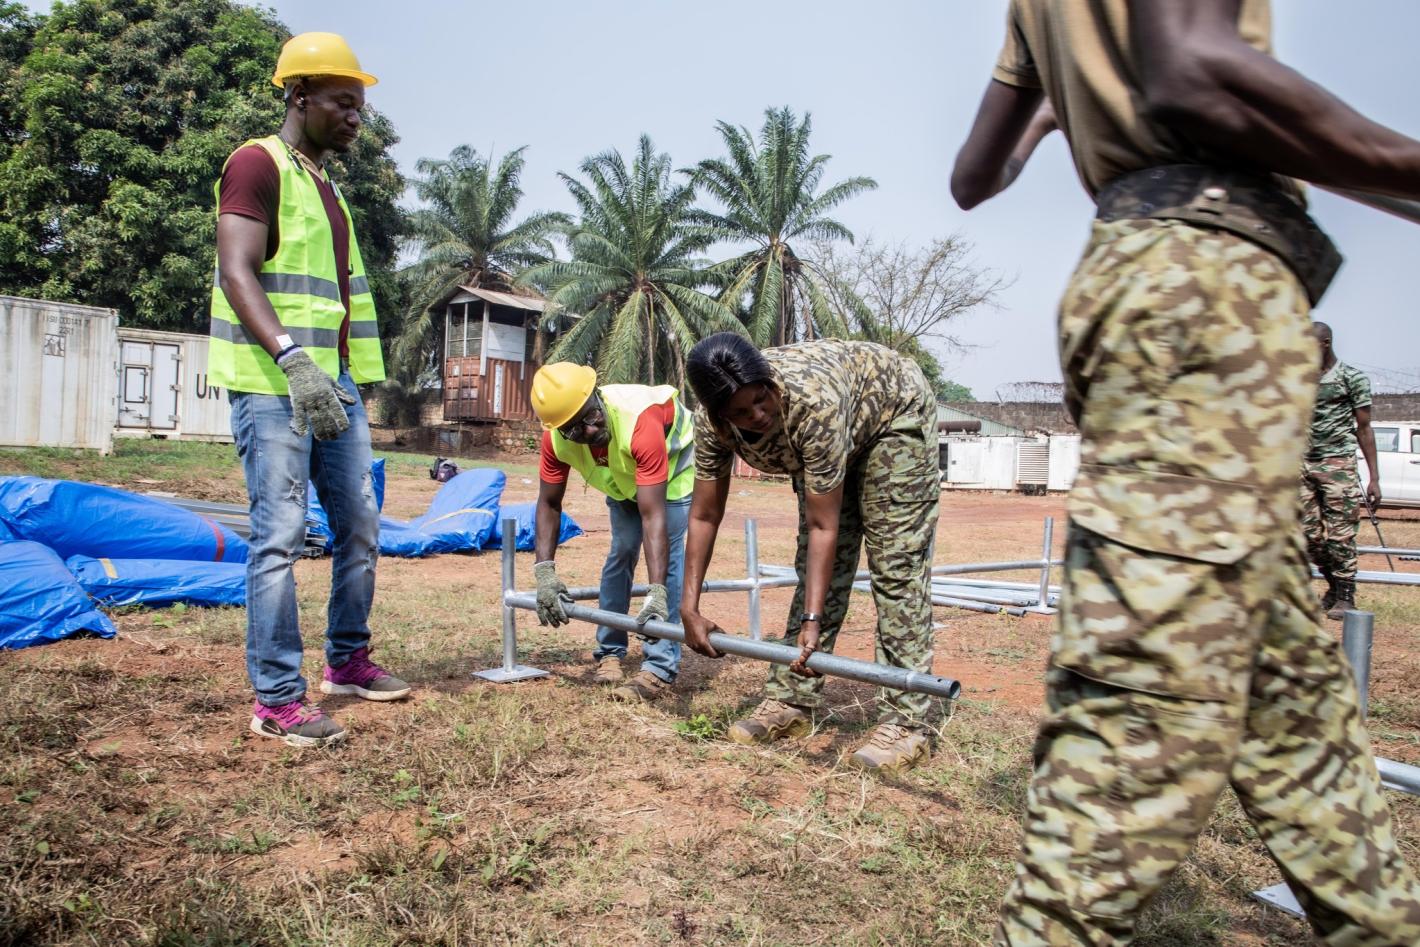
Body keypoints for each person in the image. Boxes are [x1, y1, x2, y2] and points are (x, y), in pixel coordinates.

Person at [953, 1, 1420, 942]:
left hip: (1160, 286)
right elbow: (1187, 70)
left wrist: (1060, 108)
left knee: (1300, 725)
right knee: (1131, 738)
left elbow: (974, 176)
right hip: (1200, 301)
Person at [210, 32, 409, 749]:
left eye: (361, 105)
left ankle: (347, 659)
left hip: (336, 387)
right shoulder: (256, 164)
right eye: (345, 102)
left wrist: (351, 382)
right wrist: (293, 360)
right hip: (274, 384)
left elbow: (339, 301)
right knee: (280, 536)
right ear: (299, 96)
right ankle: (276, 697)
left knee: (360, 522)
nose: (358, 117)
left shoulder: (327, 189)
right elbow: (239, 272)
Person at [680, 333, 940, 774]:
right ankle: (791, 701)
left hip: (894, 412)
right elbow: (704, 515)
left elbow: (826, 525)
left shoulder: (809, 406)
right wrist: (688, 607)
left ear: (769, 382)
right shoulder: (711, 426)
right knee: (816, 568)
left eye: (763, 399)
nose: (759, 416)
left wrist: (813, 622)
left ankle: (907, 722)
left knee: (896, 567)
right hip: (842, 423)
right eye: (742, 412)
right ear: (718, 414)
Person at [530, 362, 694, 702]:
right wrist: (544, 572)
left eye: (591, 416)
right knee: (622, 549)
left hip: (671, 466)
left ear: (597, 396)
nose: (589, 431)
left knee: (670, 559)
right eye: (574, 430)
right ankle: (610, 652)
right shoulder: (556, 439)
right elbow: (549, 504)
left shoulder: (640, 421)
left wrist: (657, 591)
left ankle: (659, 667)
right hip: (622, 476)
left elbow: (653, 516)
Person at [1301, 322, 1379, 619]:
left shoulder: (1351, 378)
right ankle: (1334, 583)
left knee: (1340, 535)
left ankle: (1346, 596)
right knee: (1307, 534)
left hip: (1338, 464)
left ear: (1325, 343)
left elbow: (1365, 428)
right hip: (1303, 464)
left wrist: (1375, 478)